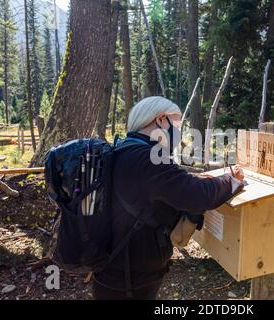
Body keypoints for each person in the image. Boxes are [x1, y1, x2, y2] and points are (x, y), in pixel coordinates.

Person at [92, 96, 244, 300]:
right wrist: (231, 180)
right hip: (130, 280)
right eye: (179, 123)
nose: (180, 131)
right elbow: (198, 196)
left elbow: (162, 187)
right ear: (161, 120)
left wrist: (192, 180)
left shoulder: (124, 149)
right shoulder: (148, 158)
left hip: (113, 271)